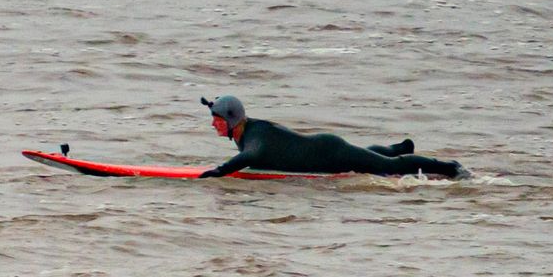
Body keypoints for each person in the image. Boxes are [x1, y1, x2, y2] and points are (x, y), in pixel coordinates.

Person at [196, 96, 462, 180]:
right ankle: (397, 147)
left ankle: (448, 168)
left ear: (231, 120)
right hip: (327, 154)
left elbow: (251, 156)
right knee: (366, 157)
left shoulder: (256, 136)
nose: (212, 124)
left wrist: (219, 172)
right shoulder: (251, 131)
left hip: (328, 152)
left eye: (217, 119)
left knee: (387, 168)